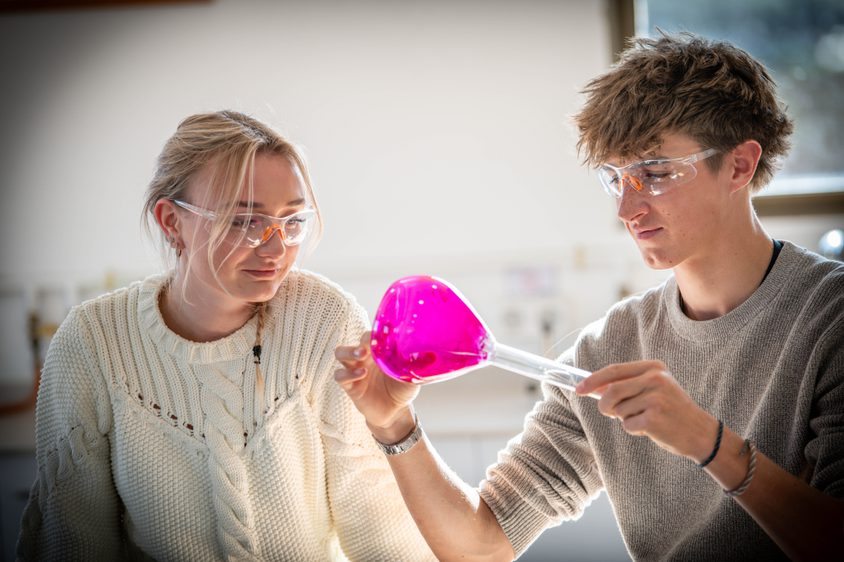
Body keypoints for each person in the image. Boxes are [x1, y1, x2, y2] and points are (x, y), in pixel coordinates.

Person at [335, 34, 844, 561]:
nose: (627, 207)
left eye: (655, 173)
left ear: (739, 165)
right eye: (615, 178)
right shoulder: (607, 350)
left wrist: (709, 444)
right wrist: (393, 424)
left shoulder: (831, 320)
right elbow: (480, 545)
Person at [17, 110, 435, 561]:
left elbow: (379, 532)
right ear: (171, 221)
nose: (276, 249)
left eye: (292, 222)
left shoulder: (323, 321)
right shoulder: (94, 342)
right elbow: (70, 542)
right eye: (245, 222)